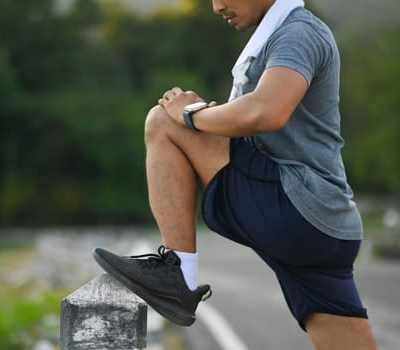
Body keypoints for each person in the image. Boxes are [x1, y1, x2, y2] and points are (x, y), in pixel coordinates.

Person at [94, 0, 378, 348]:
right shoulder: (282, 33)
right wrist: (211, 118)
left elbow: (266, 111)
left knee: (162, 121)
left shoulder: (298, 32)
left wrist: (191, 116)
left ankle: (178, 275)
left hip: (297, 207)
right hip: (331, 227)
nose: (217, 6)